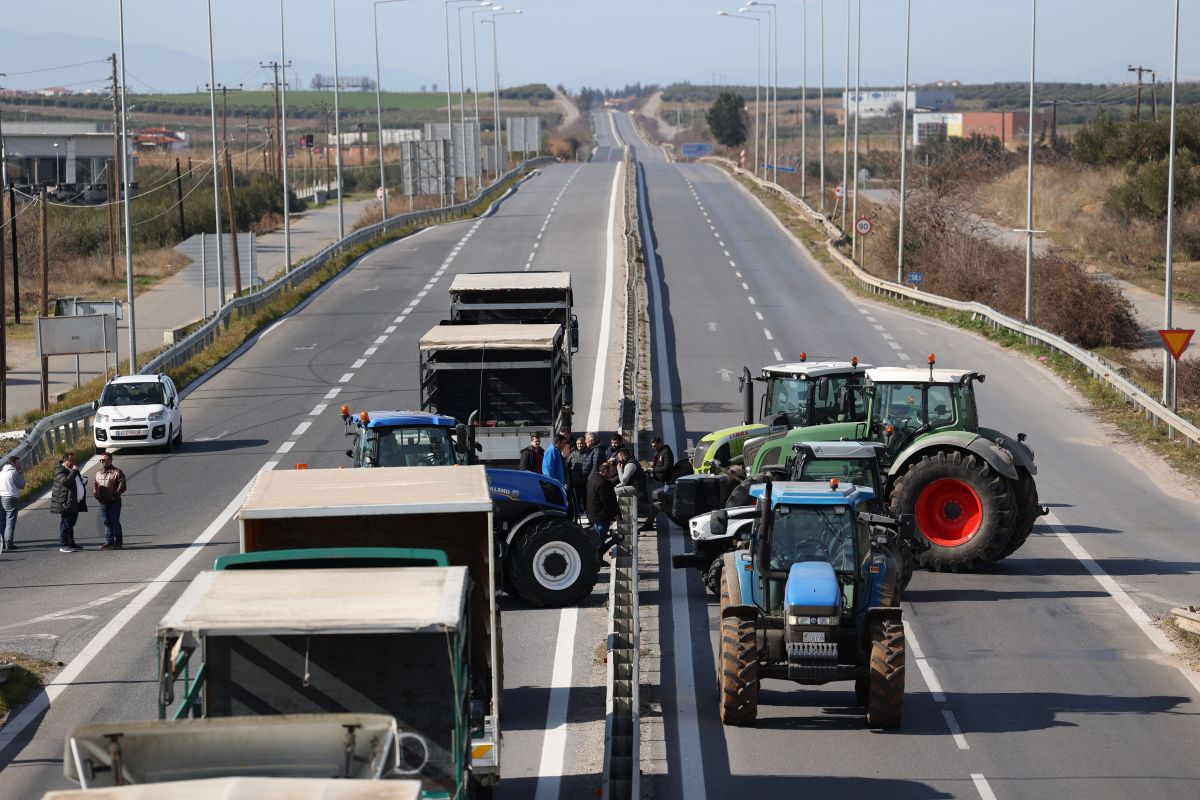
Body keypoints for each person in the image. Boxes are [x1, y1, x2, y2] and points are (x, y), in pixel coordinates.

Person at [51, 452, 87, 553]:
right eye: (71, 460)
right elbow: (66, 482)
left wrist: (83, 482)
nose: (73, 462)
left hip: (75, 501)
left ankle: (71, 542)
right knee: (65, 524)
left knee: (71, 523)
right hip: (65, 501)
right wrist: (74, 471)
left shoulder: (72, 470)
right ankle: (64, 545)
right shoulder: (60, 470)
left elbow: (76, 482)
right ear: (65, 460)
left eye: (74, 460)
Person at [92, 453, 128, 550]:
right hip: (102, 503)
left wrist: (114, 496)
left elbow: (122, 486)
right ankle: (109, 542)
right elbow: (94, 485)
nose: (103, 461)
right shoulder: (98, 473)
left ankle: (118, 542)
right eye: (101, 460)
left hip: (114, 502)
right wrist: (96, 495)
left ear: (111, 460)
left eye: (105, 459)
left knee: (115, 521)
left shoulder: (118, 472)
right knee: (106, 522)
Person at [616, 448, 654, 531]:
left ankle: (615, 513)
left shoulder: (630, 464)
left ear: (624, 456)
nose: (618, 459)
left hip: (637, 488)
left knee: (614, 492)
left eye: (619, 457)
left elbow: (623, 481)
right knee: (615, 489)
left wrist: (619, 469)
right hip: (635, 486)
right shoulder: (629, 462)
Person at [586, 461, 621, 552]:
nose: (611, 475)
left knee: (596, 537)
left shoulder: (592, 477)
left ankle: (596, 555)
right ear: (605, 471)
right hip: (601, 516)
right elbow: (606, 502)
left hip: (593, 514)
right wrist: (615, 514)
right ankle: (597, 556)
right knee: (600, 540)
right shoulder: (603, 483)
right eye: (610, 472)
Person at [1, 456, 25, 551]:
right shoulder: (13, 472)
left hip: (1, 497)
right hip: (11, 497)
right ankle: (8, 543)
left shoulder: (2, 472)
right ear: (13, 463)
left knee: (2, 521)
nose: (19, 464)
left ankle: (2, 543)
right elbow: (22, 485)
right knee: (10, 521)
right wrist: (20, 473)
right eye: (18, 463)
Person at [566, 437, 588, 521]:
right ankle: (576, 518)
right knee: (576, 502)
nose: (579, 445)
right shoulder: (572, 454)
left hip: (585, 482)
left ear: (584, 444)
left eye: (581, 443)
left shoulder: (588, 454)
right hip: (575, 483)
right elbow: (567, 467)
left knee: (587, 501)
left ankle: (589, 517)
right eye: (578, 444)